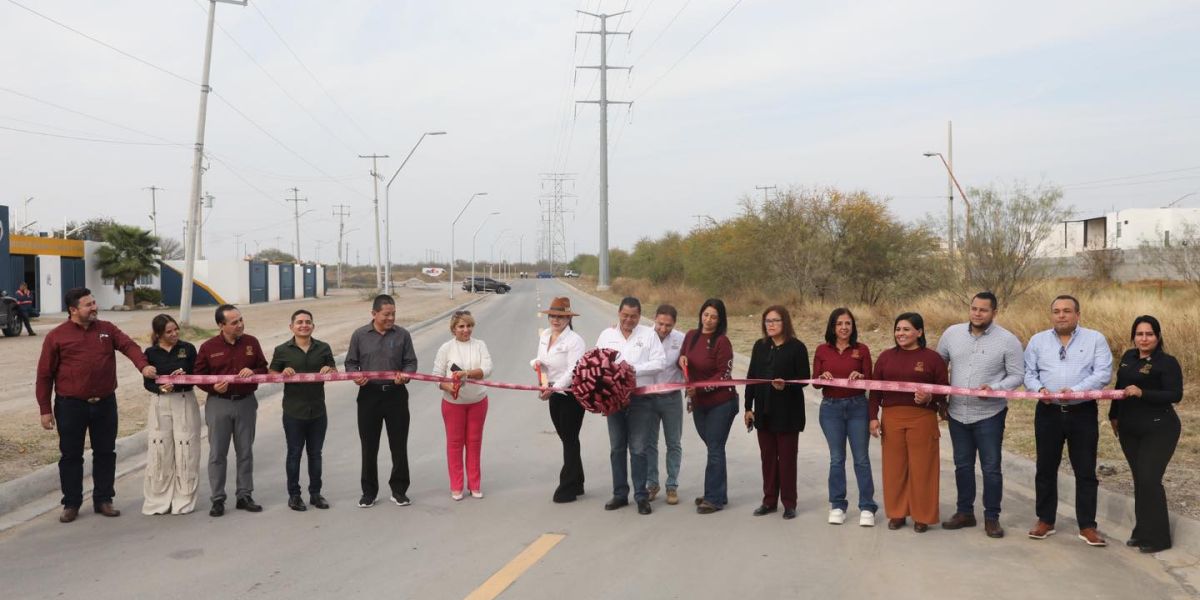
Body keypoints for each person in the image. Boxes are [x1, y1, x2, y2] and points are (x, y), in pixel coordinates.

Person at [35, 287, 157, 523]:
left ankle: (103, 499)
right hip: (70, 406)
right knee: (71, 456)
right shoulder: (56, 336)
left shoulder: (107, 329)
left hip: (104, 404)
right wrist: (44, 409)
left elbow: (129, 345)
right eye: (88, 305)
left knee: (105, 453)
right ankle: (71, 503)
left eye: (94, 302)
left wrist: (142, 365)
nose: (94, 307)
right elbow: (44, 375)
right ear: (73, 310)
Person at [1024, 295, 1113, 546]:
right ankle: (1045, 520)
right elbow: (1029, 372)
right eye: (1056, 311)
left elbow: (1103, 373)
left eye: (1066, 311)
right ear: (1051, 315)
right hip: (1048, 412)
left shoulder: (1095, 339)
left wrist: (1076, 390)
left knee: (1085, 471)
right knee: (1045, 468)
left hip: (1082, 412)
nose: (1061, 315)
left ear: (1077, 314)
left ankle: (1087, 526)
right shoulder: (1037, 341)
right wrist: (1039, 389)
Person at [936, 292, 1024, 539]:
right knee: (962, 466)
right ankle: (965, 512)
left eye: (983, 310)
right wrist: (941, 400)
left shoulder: (1008, 340)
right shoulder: (951, 334)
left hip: (990, 415)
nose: (977, 313)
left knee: (991, 468)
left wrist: (995, 389)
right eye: (974, 308)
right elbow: (938, 367)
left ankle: (991, 517)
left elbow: (1018, 375)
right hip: (957, 413)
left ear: (994, 313)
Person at [1109, 315, 1182, 554]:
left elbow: (1175, 394)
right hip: (1130, 429)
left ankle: (1159, 538)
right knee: (1140, 480)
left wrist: (1143, 392)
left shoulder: (1166, 362)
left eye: (1149, 334)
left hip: (1159, 428)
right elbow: (1119, 387)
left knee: (1150, 479)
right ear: (1133, 336)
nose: (1144, 338)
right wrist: (1114, 415)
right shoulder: (1129, 358)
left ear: (1158, 336)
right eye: (1139, 334)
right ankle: (1142, 532)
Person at [869, 312, 948, 533]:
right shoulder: (885, 357)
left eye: (906, 329)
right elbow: (875, 390)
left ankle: (922, 515)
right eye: (898, 329)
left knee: (923, 469)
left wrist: (930, 398)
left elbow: (944, 391)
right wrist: (873, 417)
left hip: (922, 419)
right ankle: (897, 513)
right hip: (892, 418)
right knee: (894, 468)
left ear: (919, 332)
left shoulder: (932, 359)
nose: (900, 333)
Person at [195, 304, 269, 517]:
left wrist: (253, 371)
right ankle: (218, 498)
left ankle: (244, 495)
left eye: (241, 319)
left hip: (246, 402)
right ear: (221, 325)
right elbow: (199, 375)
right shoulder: (208, 347)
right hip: (219, 403)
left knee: (245, 451)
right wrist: (212, 387)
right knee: (218, 453)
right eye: (234, 322)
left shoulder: (251, 343)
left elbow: (264, 367)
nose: (240, 324)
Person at [345, 294, 418, 508]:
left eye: (394, 314)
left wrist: (406, 374)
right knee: (369, 445)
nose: (391, 318)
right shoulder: (359, 335)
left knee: (399, 445)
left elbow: (410, 362)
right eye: (386, 314)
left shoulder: (403, 335)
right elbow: (351, 363)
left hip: (396, 395)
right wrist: (355, 376)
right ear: (374, 314)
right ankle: (369, 492)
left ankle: (399, 490)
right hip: (369, 395)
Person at [596, 297, 665, 515]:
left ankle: (641, 496)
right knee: (617, 447)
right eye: (625, 315)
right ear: (618, 313)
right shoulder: (607, 335)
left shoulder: (649, 335)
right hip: (613, 399)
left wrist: (631, 369)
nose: (629, 320)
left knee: (638, 448)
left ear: (639, 316)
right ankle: (619, 494)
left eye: (634, 316)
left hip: (640, 398)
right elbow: (597, 364)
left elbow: (659, 363)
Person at [812, 308, 878, 527]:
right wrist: (823, 377)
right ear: (832, 326)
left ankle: (867, 507)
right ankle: (838, 505)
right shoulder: (822, 350)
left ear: (853, 326)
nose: (843, 327)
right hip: (831, 409)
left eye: (848, 323)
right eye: (839, 323)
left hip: (858, 407)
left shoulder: (862, 349)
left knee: (861, 459)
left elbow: (871, 380)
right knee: (837, 459)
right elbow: (815, 382)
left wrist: (860, 377)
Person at [744, 305, 809, 520]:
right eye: (767, 321)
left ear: (785, 323)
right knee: (768, 459)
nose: (770, 325)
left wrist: (786, 386)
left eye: (775, 321)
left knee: (788, 459)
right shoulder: (760, 346)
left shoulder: (797, 347)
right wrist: (748, 408)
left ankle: (789, 503)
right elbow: (751, 378)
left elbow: (804, 379)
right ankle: (769, 500)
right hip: (764, 411)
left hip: (788, 413)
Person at [269, 309, 336, 512]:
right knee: (294, 454)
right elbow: (271, 373)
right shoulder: (282, 350)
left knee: (316, 454)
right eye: (299, 322)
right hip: (293, 411)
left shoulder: (323, 348)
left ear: (313, 326)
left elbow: (334, 371)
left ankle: (315, 494)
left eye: (307, 322)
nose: (304, 325)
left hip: (317, 411)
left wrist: (329, 370)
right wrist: (282, 373)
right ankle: (294, 495)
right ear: (292, 327)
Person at [681, 298, 737, 515]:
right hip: (699, 403)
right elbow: (684, 358)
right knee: (714, 447)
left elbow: (724, 375)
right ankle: (718, 492)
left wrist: (701, 389)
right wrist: (682, 359)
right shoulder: (691, 336)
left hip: (722, 402)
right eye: (706, 315)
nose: (709, 320)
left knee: (714, 447)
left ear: (720, 320)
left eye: (714, 317)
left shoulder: (722, 342)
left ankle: (713, 498)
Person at [141, 314, 201, 516]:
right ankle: (158, 500)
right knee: (160, 449)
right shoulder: (150, 353)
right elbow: (148, 382)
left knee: (186, 448)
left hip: (184, 400)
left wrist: (184, 378)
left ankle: (183, 500)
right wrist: (161, 389)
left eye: (176, 329)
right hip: (161, 403)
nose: (174, 334)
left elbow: (197, 376)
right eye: (169, 331)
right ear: (158, 334)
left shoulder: (188, 349)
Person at [432, 310, 494, 500]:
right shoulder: (446, 348)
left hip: (478, 402)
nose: (466, 330)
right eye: (461, 326)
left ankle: (474, 485)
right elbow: (436, 375)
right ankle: (456, 486)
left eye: (469, 325)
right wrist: (447, 386)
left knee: (474, 443)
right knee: (455, 444)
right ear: (453, 329)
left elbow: (487, 369)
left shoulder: (480, 345)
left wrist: (467, 373)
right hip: (453, 404)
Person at [533, 297, 587, 503]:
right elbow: (543, 362)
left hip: (571, 394)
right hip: (554, 393)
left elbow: (574, 370)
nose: (556, 320)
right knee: (567, 438)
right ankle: (579, 481)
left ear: (568, 318)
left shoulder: (574, 340)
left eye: (561, 316)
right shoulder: (546, 336)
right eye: (553, 316)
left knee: (570, 439)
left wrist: (554, 388)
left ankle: (568, 487)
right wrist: (539, 372)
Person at [645, 304, 685, 506]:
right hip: (648, 397)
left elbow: (688, 364)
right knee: (649, 443)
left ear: (674, 324)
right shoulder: (644, 336)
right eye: (660, 323)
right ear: (654, 319)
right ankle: (652, 484)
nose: (663, 328)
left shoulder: (681, 339)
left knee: (674, 443)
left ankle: (672, 485)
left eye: (668, 325)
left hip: (671, 397)